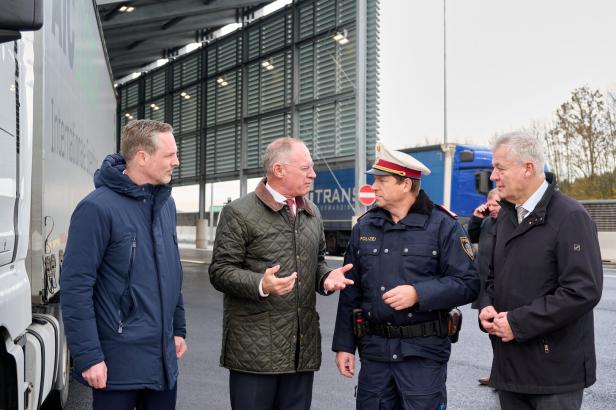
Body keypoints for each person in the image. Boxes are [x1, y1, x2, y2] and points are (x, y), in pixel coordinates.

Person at [208, 137, 354, 410]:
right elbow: (220, 271)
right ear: (279, 170)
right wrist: (260, 284)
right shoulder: (238, 213)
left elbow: (317, 261)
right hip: (255, 353)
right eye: (306, 168)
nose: (313, 174)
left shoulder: (313, 213)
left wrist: (325, 278)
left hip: (301, 350)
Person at [332, 142, 479, 410]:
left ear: (406, 185)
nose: (373, 186)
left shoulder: (444, 226)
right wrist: (344, 346)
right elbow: (350, 291)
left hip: (422, 356)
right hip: (375, 354)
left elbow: (468, 284)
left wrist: (418, 294)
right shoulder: (365, 226)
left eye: (381, 180)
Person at [61, 120, 187, 410]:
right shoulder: (96, 208)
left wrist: (178, 329)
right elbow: (76, 288)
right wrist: (89, 356)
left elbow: (171, 272)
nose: (176, 162)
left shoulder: (166, 205)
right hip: (116, 367)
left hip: (163, 366)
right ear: (142, 157)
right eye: (169, 155)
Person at [479, 131, 603, 410]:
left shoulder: (570, 216)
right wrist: (487, 305)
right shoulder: (506, 217)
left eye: (499, 168)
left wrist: (518, 323)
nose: (493, 177)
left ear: (528, 168)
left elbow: (583, 290)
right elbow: (491, 277)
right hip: (510, 368)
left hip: (554, 374)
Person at [467, 188, 501, 385]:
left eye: (497, 204)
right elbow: (471, 237)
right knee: (489, 330)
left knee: (499, 331)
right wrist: (477, 218)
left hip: (499, 286)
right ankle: (498, 373)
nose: (493, 208)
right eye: (491, 205)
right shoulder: (487, 222)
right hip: (484, 286)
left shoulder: (509, 224)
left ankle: (501, 375)